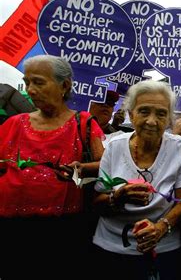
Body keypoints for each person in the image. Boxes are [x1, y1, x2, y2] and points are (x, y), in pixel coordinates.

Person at [0, 55, 104, 280]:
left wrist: (83, 168)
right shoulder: (13, 124)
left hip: (63, 231)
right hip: (12, 230)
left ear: (64, 86)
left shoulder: (84, 123)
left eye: (38, 82)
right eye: (27, 83)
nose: (30, 90)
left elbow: (107, 165)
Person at [92, 80, 181, 280]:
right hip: (112, 246)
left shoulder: (179, 147)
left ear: (169, 119)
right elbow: (96, 202)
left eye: (161, 113)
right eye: (144, 111)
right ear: (131, 114)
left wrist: (162, 227)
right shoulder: (114, 147)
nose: (152, 121)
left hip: (163, 247)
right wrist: (117, 197)